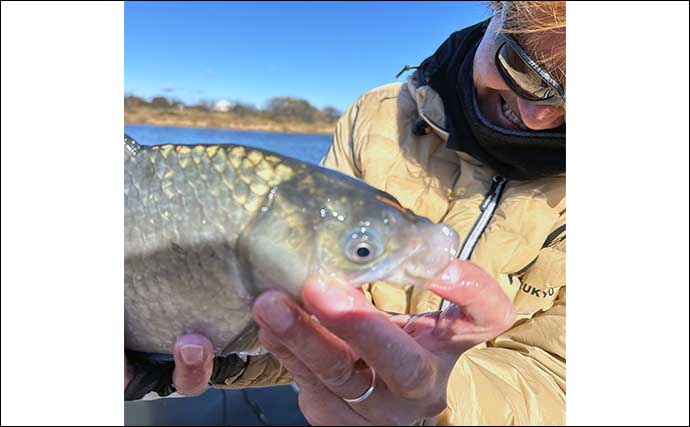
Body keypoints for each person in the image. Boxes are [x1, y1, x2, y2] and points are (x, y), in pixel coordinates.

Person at [125, 1, 567, 424]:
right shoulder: (375, 115)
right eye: (524, 66)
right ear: (496, 11)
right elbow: (309, 314)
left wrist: (436, 404)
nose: (536, 116)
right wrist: (216, 357)